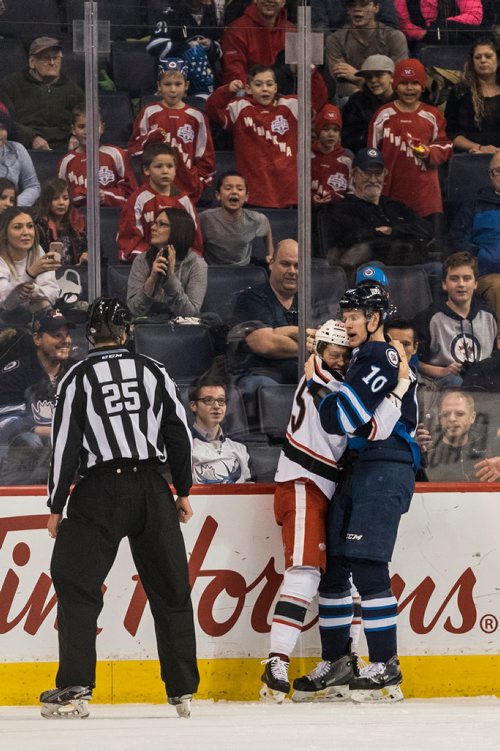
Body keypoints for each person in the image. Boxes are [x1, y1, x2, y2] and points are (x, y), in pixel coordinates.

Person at [40, 297, 199, 720]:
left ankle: (75, 686)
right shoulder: (154, 370)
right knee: (171, 589)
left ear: (90, 333)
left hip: (98, 491)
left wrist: (56, 503)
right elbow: (179, 433)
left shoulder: (75, 377)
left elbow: (65, 447)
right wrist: (182, 488)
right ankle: (182, 690)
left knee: (76, 585)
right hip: (151, 488)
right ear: (127, 332)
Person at [260, 318, 409, 702]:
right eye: (333, 354)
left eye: (345, 357)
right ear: (318, 353)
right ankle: (276, 661)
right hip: (306, 483)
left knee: (340, 575)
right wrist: (400, 389)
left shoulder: (326, 378)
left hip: (323, 487)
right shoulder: (330, 385)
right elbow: (370, 427)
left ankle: (343, 660)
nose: (340, 362)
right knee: (306, 573)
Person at [293, 284, 419, 702]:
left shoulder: (381, 355)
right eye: (344, 315)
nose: (345, 323)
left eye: (353, 316)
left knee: (366, 566)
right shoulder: (364, 358)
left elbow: (341, 417)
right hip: (359, 468)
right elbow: (352, 421)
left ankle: (385, 663)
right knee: (335, 569)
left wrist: (325, 386)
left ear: (375, 319)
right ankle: (339, 661)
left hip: (385, 467)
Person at [206, 64, 327, 208]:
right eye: (258, 84)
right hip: (254, 191)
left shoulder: (291, 105)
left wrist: (312, 73)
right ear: (248, 89)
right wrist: (227, 91)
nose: (265, 88)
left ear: (275, 87)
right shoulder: (240, 107)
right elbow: (212, 109)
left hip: (287, 190)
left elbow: (318, 100)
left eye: (269, 84)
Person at [320, 147, 435, 274]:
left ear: (385, 174)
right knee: (376, 268)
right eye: (367, 173)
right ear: (353, 175)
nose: (373, 179)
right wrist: (393, 234)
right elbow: (354, 240)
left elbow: (427, 229)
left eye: (378, 173)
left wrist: (392, 230)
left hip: (406, 269)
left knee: (436, 269)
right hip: (366, 272)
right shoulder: (343, 208)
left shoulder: (395, 206)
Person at [368, 58, 453, 220]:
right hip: (391, 190)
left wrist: (429, 152)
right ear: (395, 85)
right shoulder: (383, 114)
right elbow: (372, 153)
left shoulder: (432, 115)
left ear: (422, 86)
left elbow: (446, 145)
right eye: (404, 83)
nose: (409, 88)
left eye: (414, 83)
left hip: (425, 194)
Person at [0, 308, 76, 484]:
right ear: (37, 339)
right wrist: (46, 432)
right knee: (30, 441)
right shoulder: (16, 372)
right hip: (23, 463)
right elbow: (6, 420)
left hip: (69, 457)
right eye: (57, 335)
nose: (66, 340)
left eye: (67, 335)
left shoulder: (77, 372)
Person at [128, 59, 215, 204]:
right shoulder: (149, 112)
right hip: (154, 187)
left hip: (187, 190)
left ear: (186, 86)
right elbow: (133, 149)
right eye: (167, 84)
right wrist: (150, 137)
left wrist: (197, 181)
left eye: (178, 84)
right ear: (159, 86)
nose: (173, 90)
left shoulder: (197, 117)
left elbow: (206, 156)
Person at [230, 239, 299, 415]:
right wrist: (307, 341)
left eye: (297, 266)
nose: (292, 271)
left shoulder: (306, 300)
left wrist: (279, 333)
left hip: (301, 375)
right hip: (260, 375)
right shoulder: (251, 298)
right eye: (285, 264)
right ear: (271, 263)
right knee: (262, 387)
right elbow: (264, 344)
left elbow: (325, 341)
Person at [414, 251, 497, 388]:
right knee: (456, 382)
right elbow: (415, 362)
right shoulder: (428, 318)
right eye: (454, 279)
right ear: (444, 284)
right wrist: (443, 371)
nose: (461, 284)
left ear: (476, 283)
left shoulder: (488, 316)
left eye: (467, 278)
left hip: (483, 385)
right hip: (445, 385)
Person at [117, 143, 203, 262]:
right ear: (146, 170)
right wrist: (152, 259)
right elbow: (129, 238)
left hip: (179, 264)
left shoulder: (184, 200)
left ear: (175, 170)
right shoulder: (138, 199)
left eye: (170, 166)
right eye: (159, 166)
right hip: (145, 263)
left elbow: (194, 237)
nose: (165, 171)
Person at [0, 37, 84, 151]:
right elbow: (5, 121)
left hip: (65, 148)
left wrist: (75, 136)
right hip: (24, 148)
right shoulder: (10, 85)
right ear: (32, 62)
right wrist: (31, 138)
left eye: (56, 58)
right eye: (46, 58)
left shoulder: (73, 89)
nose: (52, 63)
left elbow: (86, 119)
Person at [127, 207, 207, 319]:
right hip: (147, 329)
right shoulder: (141, 260)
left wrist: (170, 279)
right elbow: (134, 310)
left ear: (178, 230)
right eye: (154, 223)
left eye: (161, 224)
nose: (153, 228)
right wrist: (152, 279)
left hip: (182, 332)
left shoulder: (196, 264)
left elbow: (190, 314)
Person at [449, 150, 500, 326]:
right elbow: (457, 240)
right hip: (487, 273)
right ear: (490, 175)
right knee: (498, 286)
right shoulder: (474, 203)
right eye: (498, 171)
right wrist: (479, 256)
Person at [58, 105, 137, 209]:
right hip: (78, 219)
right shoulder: (66, 161)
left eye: (93, 126)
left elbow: (132, 194)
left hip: (112, 216)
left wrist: (106, 196)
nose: (88, 131)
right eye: (82, 126)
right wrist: (83, 195)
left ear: (102, 128)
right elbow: (60, 197)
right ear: (73, 130)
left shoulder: (117, 154)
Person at [325, 0, 408, 100]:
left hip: (390, 98)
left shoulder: (394, 37)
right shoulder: (335, 40)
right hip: (354, 99)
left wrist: (356, 76)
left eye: (364, 4)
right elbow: (338, 84)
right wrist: (365, 95)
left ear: (376, 8)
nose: (357, 9)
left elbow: (399, 78)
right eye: (352, 5)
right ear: (348, 10)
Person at [146, 0, 223, 98]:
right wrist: (187, 47)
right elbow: (154, 45)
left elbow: (219, 48)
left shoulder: (210, 10)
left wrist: (210, 45)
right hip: (174, 82)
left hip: (204, 84)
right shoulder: (170, 11)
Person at [420, 389, 499, 482]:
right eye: (445, 414)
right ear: (440, 418)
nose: (452, 419)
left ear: (472, 417)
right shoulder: (426, 449)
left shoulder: (490, 443)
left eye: (460, 414)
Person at [200, 171, 273, 265]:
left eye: (239, 188)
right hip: (214, 272)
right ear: (218, 195)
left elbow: (266, 229)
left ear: (246, 196)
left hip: (242, 272)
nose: (234, 192)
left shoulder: (256, 219)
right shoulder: (204, 218)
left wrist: (271, 255)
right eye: (228, 188)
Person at [0, 207, 60, 320]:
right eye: (17, 227)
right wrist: (30, 274)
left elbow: (53, 293)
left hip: (31, 316)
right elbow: (5, 303)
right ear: (4, 232)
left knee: (43, 305)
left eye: (30, 226)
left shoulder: (37, 251)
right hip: (3, 323)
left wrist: (32, 290)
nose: (26, 232)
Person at [189, 375, 251, 483]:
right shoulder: (184, 448)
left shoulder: (240, 449)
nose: (217, 406)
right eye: (208, 400)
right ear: (194, 405)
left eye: (221, 400)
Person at [445, 36, 500, 154]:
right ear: (472, 62)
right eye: (478, 57)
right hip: (470, 156)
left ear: (498, 60)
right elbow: (451, 133)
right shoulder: (460, 91)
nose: (483, 60)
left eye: (488, 56)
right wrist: (480, 148)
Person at [341, 55, 395, 154]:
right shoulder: (356, 101)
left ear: (392, 77)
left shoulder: (404, 101)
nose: (373, 80)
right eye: (368, 77)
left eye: (379, 75)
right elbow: (348, 137)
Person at [34, 178, 87, 266]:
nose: (61, 203)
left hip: (76, 274)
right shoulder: (39, 226)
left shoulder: (78, 223)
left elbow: (97, 251)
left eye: (65, 198)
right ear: (47, 201)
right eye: (55, 199)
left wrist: (86, 256)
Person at [311, 104, 352, 207]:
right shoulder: (306, 156)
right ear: (318, 131)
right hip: (309, 212)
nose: (331, 134)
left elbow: (352, 193)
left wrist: (335, 197)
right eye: (326, 129)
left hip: (338, 213)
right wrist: (311, 199)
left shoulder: (347, 159)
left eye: (335, 130)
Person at [0, 108, 40, 207]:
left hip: (12, 212)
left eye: (2, 128)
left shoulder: (18, 149)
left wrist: (12, 204)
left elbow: (33, 186)